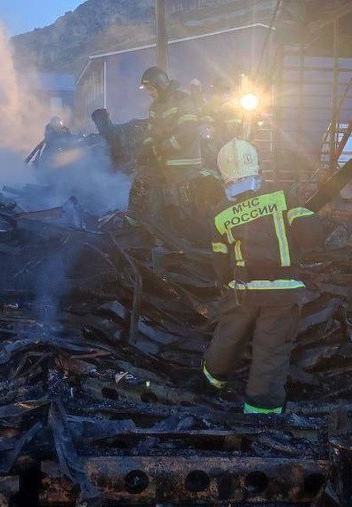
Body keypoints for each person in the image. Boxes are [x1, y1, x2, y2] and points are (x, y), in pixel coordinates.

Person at [201, 139, 324, 414]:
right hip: (282, 291)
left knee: (229, 336)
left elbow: (219, 260)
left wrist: (226, 288)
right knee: (271, 350)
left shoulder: (220, 213)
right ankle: (260, 411)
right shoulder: (282, 196)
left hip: (242, 289)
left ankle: (212, 378)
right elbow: (313, 235)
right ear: (256, 166)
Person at [128, 66, 203, 239]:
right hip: (165, 162)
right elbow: (150, 133)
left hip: (185, 163)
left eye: (150, 89)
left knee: (179, 204)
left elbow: (188, 132)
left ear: (160, 85)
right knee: (143, 183)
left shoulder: (184, 100)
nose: (149, 93)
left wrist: (163, 148)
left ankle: (184, 238)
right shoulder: (154, 107)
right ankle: (141, 225)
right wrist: (146, 149)